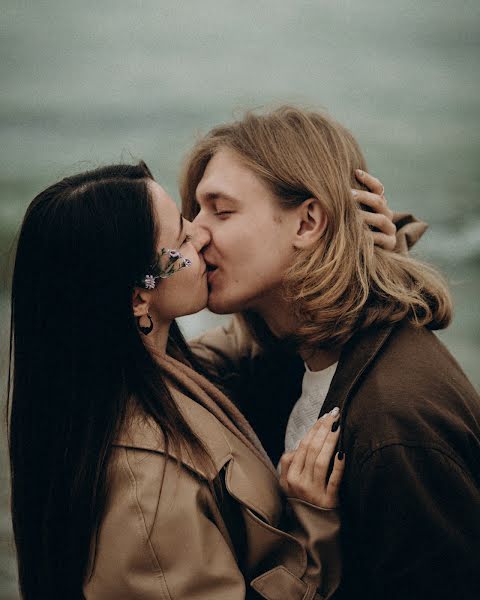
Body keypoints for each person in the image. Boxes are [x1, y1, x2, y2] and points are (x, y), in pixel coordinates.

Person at [7, 161, 352, 600]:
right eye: (183, 238)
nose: (203, 234)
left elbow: (243, 343)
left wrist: (351, 249)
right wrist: (314, 523)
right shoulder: (146, 490)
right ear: (138, 296)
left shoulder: (150, 369)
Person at [180, 106, 480, 600]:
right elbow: (174, 369)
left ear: (308, 222)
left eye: (221, 209)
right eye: (194, 211)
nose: (196, 231)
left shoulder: (397, 424)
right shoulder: (291, 353)